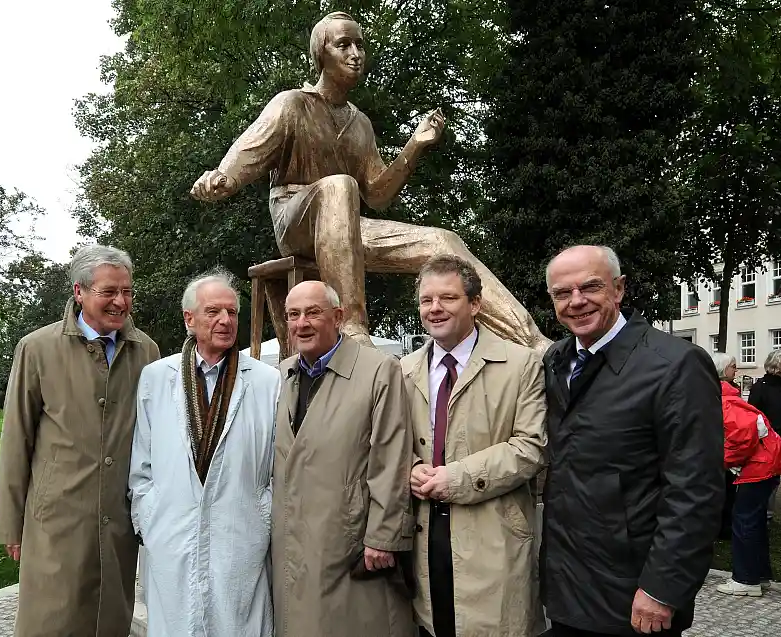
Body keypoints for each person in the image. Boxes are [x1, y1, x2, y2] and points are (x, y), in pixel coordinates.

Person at [190, 11, 549, 353]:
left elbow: (377, 194)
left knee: (443, 241)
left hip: (346, 223)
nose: (356, 54)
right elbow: (247, 152)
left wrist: (415, 146)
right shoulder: (292, 104)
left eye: (360, 45)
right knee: (339, 186)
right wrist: (222, 178)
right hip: (295, 220)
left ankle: (531, 341)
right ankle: (352, 330)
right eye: (343, 45)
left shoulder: (359, 123)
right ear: (321, 55)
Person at [541, 245, 724, 637]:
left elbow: (696, 489)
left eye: (591, 287)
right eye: (562, 293)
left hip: (632, 592)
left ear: (619, 289)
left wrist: (662, 588)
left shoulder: (675, 364)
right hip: (567, 587)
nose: (577, 301)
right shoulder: (557, 360)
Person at [0, 245, 160, 637]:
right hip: (56, 524)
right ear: (79, 292)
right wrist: (10, 525)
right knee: (52, 622)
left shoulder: (147, 352)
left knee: (109, 623)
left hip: (118, 524)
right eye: (109, 291)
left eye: (127, 291)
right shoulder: (37, 349)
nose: (121, 301)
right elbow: (16, 439)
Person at [401, 255, 547, 637]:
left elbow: (531, 447)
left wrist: (456, 479)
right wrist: (410, 467)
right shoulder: (402, 370)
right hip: (424, 535)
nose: (435, 308)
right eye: (426, 300)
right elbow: (388, 442)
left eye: (448, 298)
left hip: (493, 536)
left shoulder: (522, 365)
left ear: (476, 304)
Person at [129, 271, 280, 636]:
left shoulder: (266, 381)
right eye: (213, 311)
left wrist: (264, 514)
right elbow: (141, 463)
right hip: (171, 536)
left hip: (240, 535)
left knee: (238, 623)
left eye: (232, 312)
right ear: (189, 318)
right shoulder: (156, 377)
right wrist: (148, 516)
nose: (225, 320)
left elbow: (280, 465)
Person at [272, 280, 415, 637]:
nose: (302, 323)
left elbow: (391, 456)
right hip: (292, 536)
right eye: (293, 315)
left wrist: (383, 536)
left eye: (312, 313)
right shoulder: (282, 375)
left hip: (350, 540)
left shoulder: (378, 370)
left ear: (337, 317)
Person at [711, 352, 781, 597]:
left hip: (759, 466)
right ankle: (759, 575)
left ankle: (746, 579)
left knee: (744, 520)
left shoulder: (722, 401)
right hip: (766, 462)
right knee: (754, 521)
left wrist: (723, 461)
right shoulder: (729, 397)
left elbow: (742, 437)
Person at [748, 349, 781, 530]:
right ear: (777, 365)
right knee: (770, 480)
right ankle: (766, 515)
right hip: (770, 440)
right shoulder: (761, 387)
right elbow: (753, 415)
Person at [713, 354, 739, 540]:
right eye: (733, 366)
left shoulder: (733, 388)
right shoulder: (716, 389)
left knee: (728, 488)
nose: (736, 370)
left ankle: (725, 525)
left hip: (728, 444)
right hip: (720, 444)